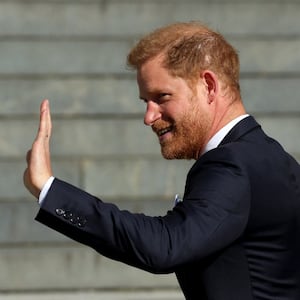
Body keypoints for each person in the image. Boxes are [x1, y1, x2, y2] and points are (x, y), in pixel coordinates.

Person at [24, 22, 300, 300]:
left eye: (162, 97)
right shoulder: (274, 158)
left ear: (208, 86)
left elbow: (166, 244)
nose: (149, 116)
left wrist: (48, 188)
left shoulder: (233, 165)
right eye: (145, 101)